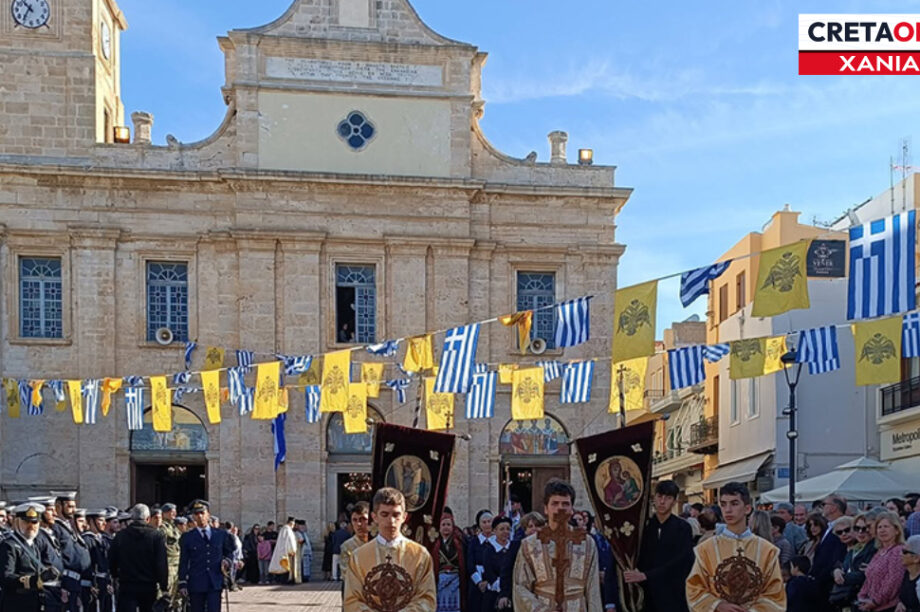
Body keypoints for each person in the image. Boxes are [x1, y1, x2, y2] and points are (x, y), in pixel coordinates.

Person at [686, 481, 785, 611]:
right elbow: (694, 588)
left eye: (734, 503)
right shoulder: (706, 549)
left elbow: (775, 594)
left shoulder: (767, 550)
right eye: (723, 504)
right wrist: (717, 605)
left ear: (747, 509)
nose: (728, 510)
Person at [512, 478, 601, 610]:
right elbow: (520, 587)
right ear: (546, 509)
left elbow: (593, 589)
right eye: (555, 503)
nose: (560, 508)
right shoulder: (530, 544)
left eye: (565, 504)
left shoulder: (586, 543)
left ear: (572, 509)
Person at [343, 487, 437, 610]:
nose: (391, 521)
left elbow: (427, 598)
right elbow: (352, 600)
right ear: (374, 517)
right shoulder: (358, 557)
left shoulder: (420, 555)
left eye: (396, 515)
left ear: (404, 517)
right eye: (384, 514)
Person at [625, 479, 694, 612]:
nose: (662, 502)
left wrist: (648, 575)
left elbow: (682, 561)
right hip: (646, 597)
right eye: (660, 496)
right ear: (654, 498)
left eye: (668, 498)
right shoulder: (644, 527)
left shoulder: (683, 528)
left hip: (673, 596)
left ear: (674, 501)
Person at [109, 503, 169, 612]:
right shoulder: (156, 536)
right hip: (149, 585)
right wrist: (163, 586)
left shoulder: (121, 536)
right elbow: (161, 563)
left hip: (127, 584)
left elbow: (112, 559)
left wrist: (115, 575)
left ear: (132, 518)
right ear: (148, 519)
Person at [177, 500, 235, 612]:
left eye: (202, 513)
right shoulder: (187, 537)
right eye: (196, 514)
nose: (200, 516)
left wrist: (227, 561)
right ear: (193, 516)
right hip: (196, 582)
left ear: (208, 514)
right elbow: (184, 561)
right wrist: (182, 582)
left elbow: (229, 552)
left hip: (215, 581)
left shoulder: (221, 534)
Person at [0, 502, 59, 612]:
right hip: (16, 603)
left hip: (35, 602)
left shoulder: (35, 545)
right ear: (17, 522)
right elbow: (6, 577)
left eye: (34, 522)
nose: (31, 526)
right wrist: (34, 580)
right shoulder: (9, 545)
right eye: (26, 522)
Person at [856, 511, 905, 612]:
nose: (882, 530)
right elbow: (869, 578)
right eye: (879, 527)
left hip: (888, 607)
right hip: (871, 605)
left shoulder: (898, 551)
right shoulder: (879, 552)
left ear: (897, 530)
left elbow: (893, 581)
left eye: (886, 527)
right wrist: (861, 597)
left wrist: (875, 601)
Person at [50, 491, 91, 611]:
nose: (73, 510)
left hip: (75, 581)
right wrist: (63, 585)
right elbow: (57, 557)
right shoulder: (56, 527)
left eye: (74, 506)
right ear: (59, 506)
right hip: (66, 580)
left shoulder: (68, 527)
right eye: (70, 507)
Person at [830, 512, 877, 610]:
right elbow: (843, 567)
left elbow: (863, 575)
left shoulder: (874, 548)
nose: (860, 532)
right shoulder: (854, 549)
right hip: (848, 601)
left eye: (864, 528)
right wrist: (836, 571)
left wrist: (842, 578)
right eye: (857, 528)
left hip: (863, 600)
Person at [813, 496, 850, 611]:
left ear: (833, 508)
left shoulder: (843, 528)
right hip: (822, 583)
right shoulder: (828, 527)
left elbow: (837, 555)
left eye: (824, 505)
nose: (822, 508)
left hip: (830, 583)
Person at [432, 510, 467, 612]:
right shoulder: (435, 544)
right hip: (440, 581)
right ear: (439, 527)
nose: (446, 527)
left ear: (453, 527)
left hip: (456, 581)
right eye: (443, 525)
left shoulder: (459, 543)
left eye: (448, 524)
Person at [82, 509, 113, 612]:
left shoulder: (104, 540)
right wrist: (91, 583)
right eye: (100, 520)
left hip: (104, 583)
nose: (104, 523)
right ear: (91, 521)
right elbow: (87, 564)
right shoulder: (87, 540)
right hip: (93, 583)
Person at [483, 515, 515, 611]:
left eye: (508, 529)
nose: (505, 532)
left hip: (513, 591)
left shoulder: (515, 547)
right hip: (495, 592)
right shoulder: (489, 550)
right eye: (502, 529)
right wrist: (502, 590)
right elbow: (489, 572)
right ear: (494, 531)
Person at [340, 503, 371, 595]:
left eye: (363, 519)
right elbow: (346, 573)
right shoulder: (347, 546)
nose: (359, 524)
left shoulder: (380, 542)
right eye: (355, 520)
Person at [467, 509, 494, 611]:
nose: (487, 525)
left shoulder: (498, 541)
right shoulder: (473, 542)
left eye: (489, 521)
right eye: (484, 522)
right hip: (476, 583)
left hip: (493, 583)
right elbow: (470, 563)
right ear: (479, 525)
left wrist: (490, 581)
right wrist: (479, 582)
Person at [158, 502, 182, 601]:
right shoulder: (162, 527)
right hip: (169, 563)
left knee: (176, 593)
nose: (174, 514)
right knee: (167, 592)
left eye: (175, 512)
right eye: (171, 512)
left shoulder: (173, 526)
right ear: (164, 513)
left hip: (176, 563)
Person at [269, 516, 300, 584]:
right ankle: (286, 580)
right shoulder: (287, 530)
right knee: (286, 567)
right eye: (293, 524)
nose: (293, 526)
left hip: (284, 551)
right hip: (287, 552)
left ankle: (285, 580)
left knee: (284, 566)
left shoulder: (284, 529)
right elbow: (290, 541)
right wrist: (292, 550)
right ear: (291, 523)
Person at [899, 535, 920, 612]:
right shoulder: (906, 573)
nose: (900, 554)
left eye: (904, 552)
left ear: (916, 558)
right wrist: (900, 603)